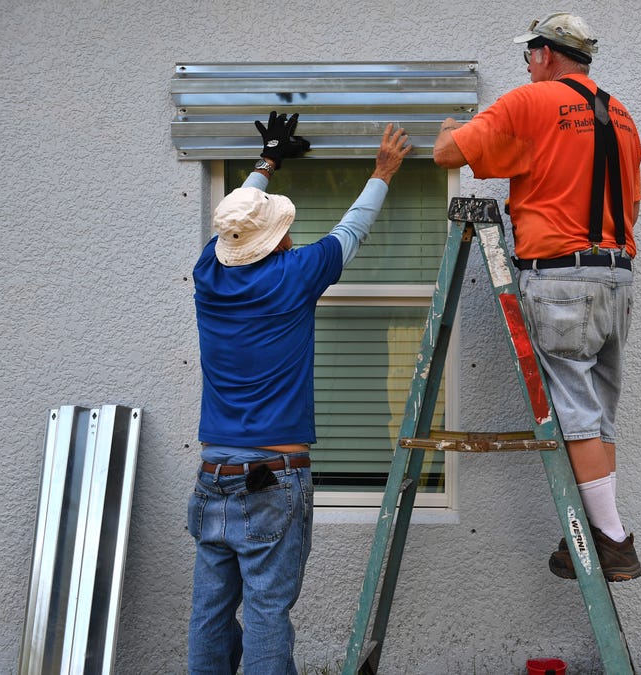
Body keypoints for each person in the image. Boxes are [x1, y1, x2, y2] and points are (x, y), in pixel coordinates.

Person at [188, 111, 411, 673]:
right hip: (272, 476)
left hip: (213, 475)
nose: (290, 230)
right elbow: (352, 229)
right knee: (266, 608)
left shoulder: (207, 275)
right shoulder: (294, 273)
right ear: (272, 241)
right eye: (281, 226)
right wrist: (383, 170)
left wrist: (267, 160)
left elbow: (231, 226)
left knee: (210, 613)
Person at [433, 12, 641, 582]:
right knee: (597, 419)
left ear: (546, 54)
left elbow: (448, 154)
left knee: (575, 417)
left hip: (561, 280)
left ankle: (613, 539)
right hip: (615, 278)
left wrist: (454, 124)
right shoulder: (620, 115)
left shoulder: (532, 102)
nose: (526, 66)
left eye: (528, 55)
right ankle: (601, 532)